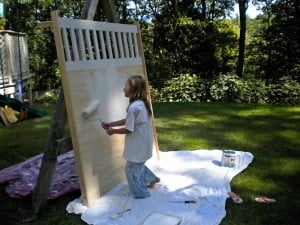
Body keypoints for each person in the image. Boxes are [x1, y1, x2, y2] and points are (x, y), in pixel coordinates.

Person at [102, 75, 160, 199]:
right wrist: (111, 124)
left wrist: (113, 131)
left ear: (133, 89)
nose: (123, 89)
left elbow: (129, 128)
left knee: (131, 172)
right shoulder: (140, 104)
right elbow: (128, 120)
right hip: (143, 145)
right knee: (137, 167)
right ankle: (153, 179)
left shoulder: (134, 108)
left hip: (138, 147)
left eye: (126, 86)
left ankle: (141, 194)